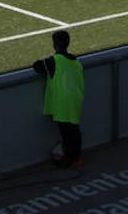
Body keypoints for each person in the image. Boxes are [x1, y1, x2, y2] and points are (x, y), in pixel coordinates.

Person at [33, 30, 85, 168]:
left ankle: (70, 158)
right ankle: (76, 157)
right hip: (75, 99)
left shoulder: (54, 61)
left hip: (63, 101)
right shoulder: (75, 60)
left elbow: (37, 66)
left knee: (67, 131)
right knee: (73, 129)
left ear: (55, 44)